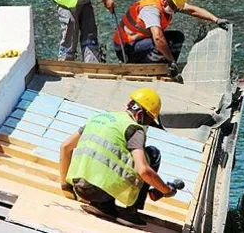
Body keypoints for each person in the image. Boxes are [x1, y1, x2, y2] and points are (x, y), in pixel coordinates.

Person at [59, 88, 178, 227]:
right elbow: (144, 170)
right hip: (101, 192)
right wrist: (166, 190)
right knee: (152, 153)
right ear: (141, 115)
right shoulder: (134, 129)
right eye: (150, 120)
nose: (147, 125)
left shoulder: (99, 117)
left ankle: (103, 207)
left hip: (80, 188)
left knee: (114, 158)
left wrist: (66, 187)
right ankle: (130, 213)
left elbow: (65, 147)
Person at [112, 0, 229, 75]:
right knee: (165, 43)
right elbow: (158, 38)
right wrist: (171, 61)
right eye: (174, 6)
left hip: (141, 42)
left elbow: (193, 10)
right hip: (127, 48)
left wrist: (216, 20)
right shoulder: (151, 9)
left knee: (177, 37)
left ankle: (166, 66)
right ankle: (153, 69)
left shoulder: (169, 0)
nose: (175, 9)